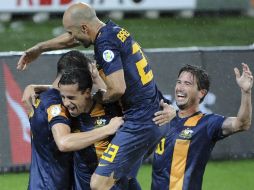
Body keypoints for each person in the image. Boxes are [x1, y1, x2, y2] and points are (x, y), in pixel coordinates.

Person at [17, 2, 176, 189]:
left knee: (98, 184)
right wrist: (40, 49)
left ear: (84, 28)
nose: (71, 37)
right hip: (154, 117)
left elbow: (117, 89)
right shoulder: (115, 32)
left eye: (71, 32)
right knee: (124, 180)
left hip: (138, 124)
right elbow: (138, 81)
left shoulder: (104, 44)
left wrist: (99, 97)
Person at [26, 50, 124, 190]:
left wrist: (35, 86)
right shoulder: (55, 103)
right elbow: (63, 142)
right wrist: (107, 129)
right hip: (52, 185)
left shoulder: (48, 96)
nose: (66, 102)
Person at [151, 63, 253, 190]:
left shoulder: (207, 123)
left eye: (187, 84)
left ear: (201, 93)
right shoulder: (165, 118)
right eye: (179, 82)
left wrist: (246, 91)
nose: (180, 88)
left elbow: (242, 123)